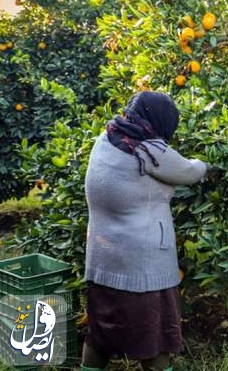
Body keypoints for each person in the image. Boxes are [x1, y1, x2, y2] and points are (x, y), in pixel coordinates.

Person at [82, 91, 207, 371]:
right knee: (155, 337)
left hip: (103, 260)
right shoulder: (149, 150)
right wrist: (206, 164)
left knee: (100, 333)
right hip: (142, 267)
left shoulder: (106, 139)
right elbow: (190, 171)